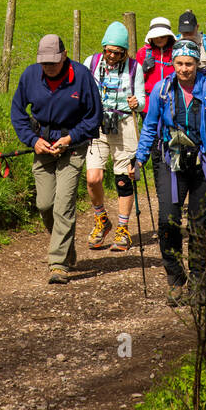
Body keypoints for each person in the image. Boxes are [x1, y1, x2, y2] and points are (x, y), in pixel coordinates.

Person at [130, 38, 206, 306]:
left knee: (199, 225)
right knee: (167, 221)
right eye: (179, 63)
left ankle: (198, 284)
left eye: (189, 64)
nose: (184, 69)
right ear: (173, 63)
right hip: (171, 164)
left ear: (197, 64)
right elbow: (150, 126)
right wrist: (140, 159)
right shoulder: (162, 89)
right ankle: (176, 279)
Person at [10, 33, 102, 284]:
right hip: (42, 148)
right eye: (44, 63)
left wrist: (70, 138)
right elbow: (18, 113)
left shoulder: (81, 76)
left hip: (72, 147)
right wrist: (33, 140)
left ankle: (58, 263)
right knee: (45, 205)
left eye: (53, 62)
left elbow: (94, 116)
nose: (48, 67)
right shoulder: (30, 76)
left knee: (63, 204)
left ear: (63, 56)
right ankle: (66, 246)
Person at [83, 22, 146, 252]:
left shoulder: (134, 68)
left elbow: (142, 99)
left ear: (125, 52)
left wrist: (137, 103)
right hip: (97, 125)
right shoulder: (91, 63)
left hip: (125, 123)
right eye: (108, 51)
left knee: (123, 178)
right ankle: (101, 219)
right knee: (93, 178)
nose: (111, 56)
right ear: (103, 47)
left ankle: (123, 228)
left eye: (117, 53)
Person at [136, 17, 176, 104]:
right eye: (155, 36)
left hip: (171, 102)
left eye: (162, 36)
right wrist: (143, 70)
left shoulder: (176, 52)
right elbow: (134, 81)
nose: (159, 39)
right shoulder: (143, 53)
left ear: (169, 37)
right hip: (149, 103)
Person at [176, 9, 206, 78]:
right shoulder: (174, 43)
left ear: (197, 27)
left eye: (190, 31)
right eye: (184, 32)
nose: (187, 35)